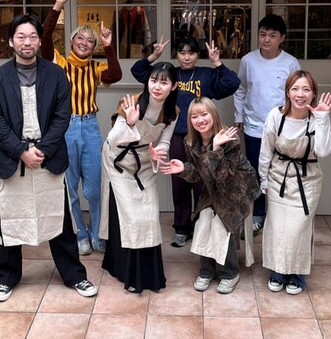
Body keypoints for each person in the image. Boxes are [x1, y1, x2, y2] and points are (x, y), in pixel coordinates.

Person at [0, 12, 97, 302]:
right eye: (21, 36)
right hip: (14, 160)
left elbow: (62, 116)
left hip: (49, 157)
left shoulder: (56, 74)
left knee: (59, 220)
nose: (27, 42)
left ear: (39, 41)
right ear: (11, 41)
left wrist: (43, 149)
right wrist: (21, 151)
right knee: (11, 221)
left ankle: (74, 275)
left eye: (33, 36)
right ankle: (7, 277)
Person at [131, 35, 239, 247]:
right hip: (177, 135)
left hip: (202, 137)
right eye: (182, 53)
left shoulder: (206, 75)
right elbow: (138, 71)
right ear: (176, 55)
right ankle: (181, 228)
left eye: (191, 53)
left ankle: (200, 225)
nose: (187, 57)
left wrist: (216, 62)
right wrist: (154, 56)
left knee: (202, 182)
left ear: (198, 55)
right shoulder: (171, 74)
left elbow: (232, 83)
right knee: (179, 182)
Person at [41, 0, 122, 256]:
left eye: (90, 41)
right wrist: (58, 6)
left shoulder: (95, 68)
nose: (85, 43)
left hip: (90, 127)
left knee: (95, 188)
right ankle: (80, 234)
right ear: (72, 41)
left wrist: (109, 47)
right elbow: (44, 39)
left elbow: (115, 75)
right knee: (70, 187)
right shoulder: (60, 63)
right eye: (80, 38)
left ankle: (98, 233)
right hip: (66, 128)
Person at [159, 98, 259, 294]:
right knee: (203, 220)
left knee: (222, 222)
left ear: (213, 115)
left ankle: (229, 273)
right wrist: (183, 169)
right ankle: (206, 271)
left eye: (204, 114)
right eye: (194, 116)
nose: (200, 120)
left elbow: (224, 176)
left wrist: (216, 149)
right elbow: (200, 173)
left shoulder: (229, 139)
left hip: (236, 190)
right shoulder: (191, 142)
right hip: (214, 189)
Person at [100, 61, 179, 293]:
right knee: (128, 216)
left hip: (145, 161)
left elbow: (164, 142)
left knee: (149, 214)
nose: (157, 87)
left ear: (173, 86)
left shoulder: (173, 112)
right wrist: (130, 122)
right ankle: (124, 270)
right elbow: (113, 139)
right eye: (153, 80)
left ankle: (148, 273)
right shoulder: (131, 103)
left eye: (164, 82)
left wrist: (158, 153)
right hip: (118, 162)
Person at [259, 70, 331, 295]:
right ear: (287, 92)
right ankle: (277, 271)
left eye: (306, 89)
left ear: (313, 94)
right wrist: (263, 178)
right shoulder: (276, 115)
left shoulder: (317, 118)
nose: (300, 94)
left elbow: (323, 150)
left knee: (299, 229)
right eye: (295, 89)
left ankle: (297, 274)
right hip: (278, 176)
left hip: (307, 179)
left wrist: (323, 119)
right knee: (277, 227)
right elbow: (266, 149)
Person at [234, 14, 300, 236]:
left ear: (282, 38)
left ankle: (280, 214)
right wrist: (239, 116)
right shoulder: (248, 60)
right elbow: (241, 89)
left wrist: (294, 122)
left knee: (281, 169)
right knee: (255, 172)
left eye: (272, 35)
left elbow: (296, 94)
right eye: (263, 34)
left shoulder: (290, 63)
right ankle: (258, 215)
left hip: (282, 127)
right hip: (253, 126)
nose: (267, 39)